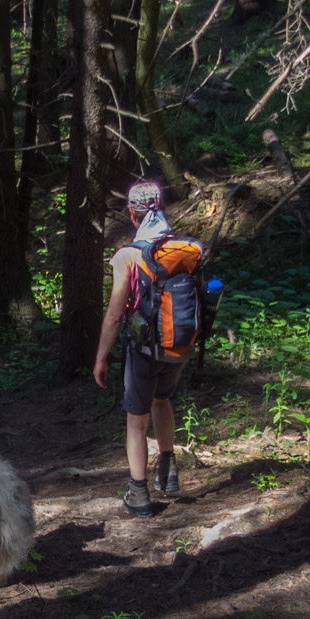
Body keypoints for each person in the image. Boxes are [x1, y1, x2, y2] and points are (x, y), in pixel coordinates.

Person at [92, 179, 179, 519]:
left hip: (143, 348)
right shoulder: (179, 247)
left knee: (135, 421)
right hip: (177, 345)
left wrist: (100, 357)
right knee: (162, 400)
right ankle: (169, 471)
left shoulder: (128, 255)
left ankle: (139, 493)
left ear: (132, 212)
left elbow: (115, 314)